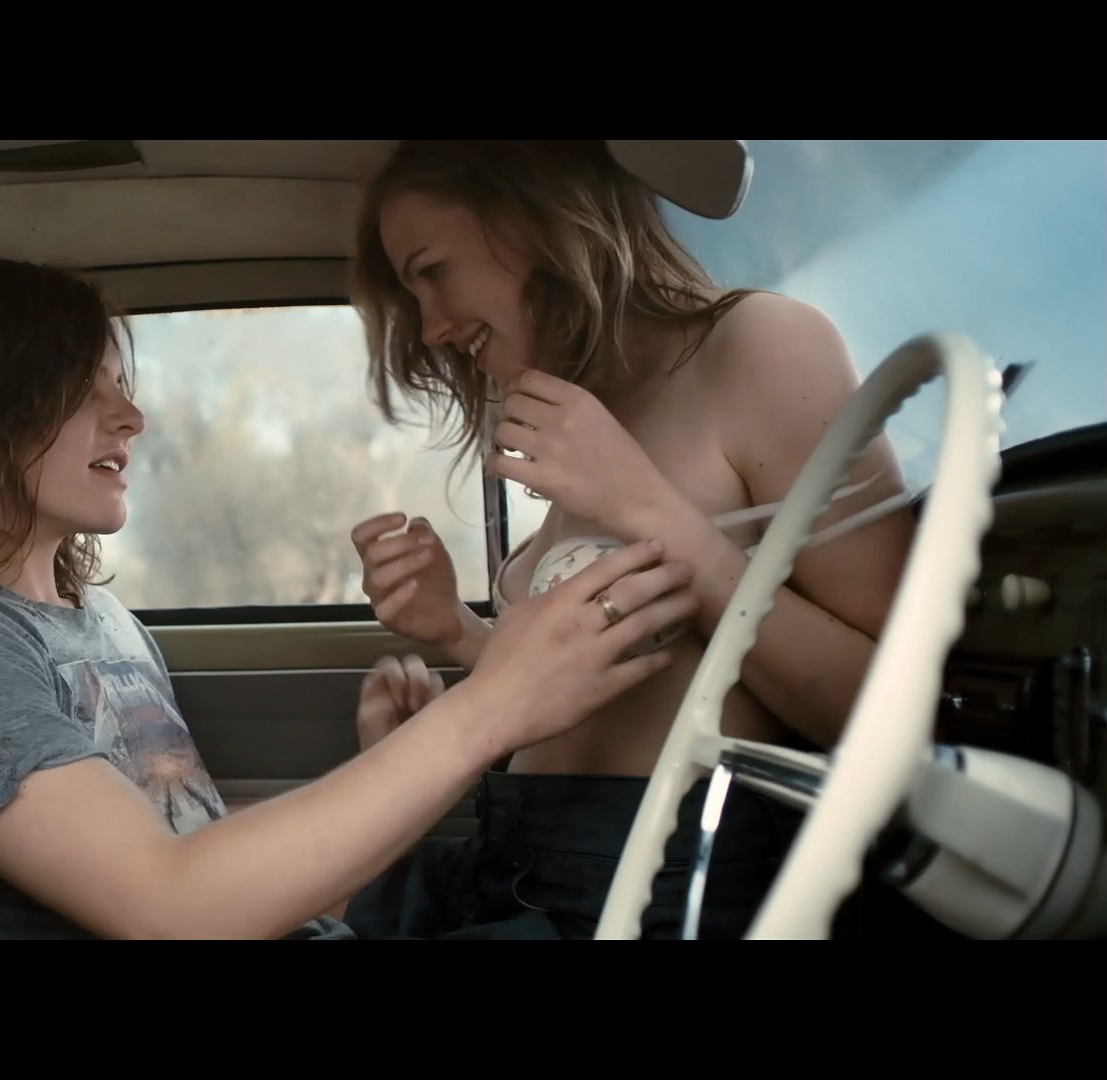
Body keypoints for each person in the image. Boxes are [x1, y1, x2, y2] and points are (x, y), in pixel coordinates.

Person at [0, 254, 698, 940]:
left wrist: (399, 762)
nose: (131, 418)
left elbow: (235, 887)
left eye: (122, 385)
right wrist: (490, 709)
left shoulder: (105, 626)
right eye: (85, 386)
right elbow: (172, 909)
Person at [340, 139, 925, 939]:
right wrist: (457, 631)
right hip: (511, 863)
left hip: (651, 887)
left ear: (535, 216)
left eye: (432, 272)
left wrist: (649, 510)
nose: (433, 328)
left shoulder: (761, 344)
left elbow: (899, 713)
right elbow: (628, 682)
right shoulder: (588, 407)